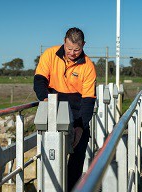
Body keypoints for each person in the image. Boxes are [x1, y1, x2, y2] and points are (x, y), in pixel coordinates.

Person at [34, 27, 96, 191]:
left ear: (83, 45)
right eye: (69, 48)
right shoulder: (50, 54)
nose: (72, 53)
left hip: (78, 111)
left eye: (77, 49)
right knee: (51, 153)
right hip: (53, 106)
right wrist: (46, 100)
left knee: (76, 157)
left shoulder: (88, 66)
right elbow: (39, 79)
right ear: (64, 41)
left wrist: (80, 127)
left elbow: (89, 99)